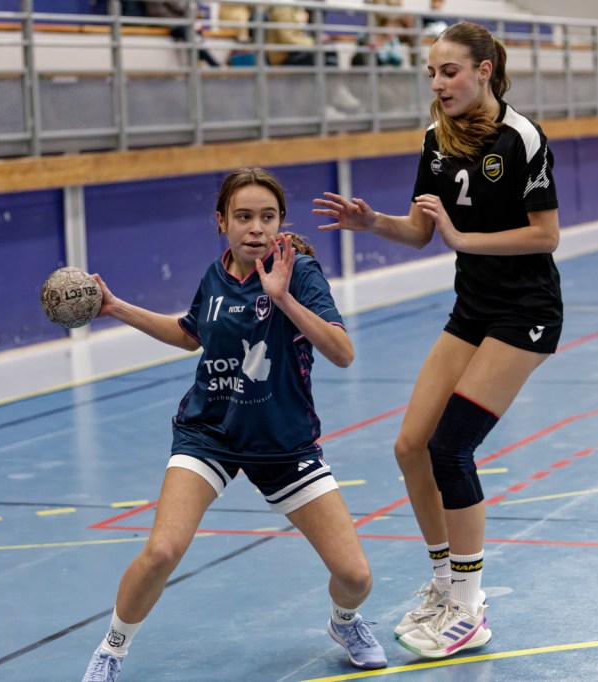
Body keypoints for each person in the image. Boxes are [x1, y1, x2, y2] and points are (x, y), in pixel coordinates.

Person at [313, 21, 562, 659]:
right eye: (432, 73)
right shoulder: (436, 137)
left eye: (449, 71)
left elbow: (545, 235)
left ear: (484, 70)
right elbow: (421, 231)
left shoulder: (522, 137)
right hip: (472, 311)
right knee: (410, 447)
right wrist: (373, 222)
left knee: (452, 447)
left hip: (525, 314)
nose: (438, 83)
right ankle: (446, 582)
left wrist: (463, 239)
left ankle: (470, 608)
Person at [80, 167, 387, 681]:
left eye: (267, 217)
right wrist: (115, 307)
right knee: (162, 550)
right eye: (243, 217)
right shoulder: (216, 274)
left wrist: (283, 297)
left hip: (284, 441)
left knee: (355, 576)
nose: (255, 228)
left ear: (280, 221)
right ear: (222, 221)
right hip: (210, 431)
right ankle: (111, 650)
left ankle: (344, 621)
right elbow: (189, 334)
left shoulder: (300, 273)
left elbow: (343, 352)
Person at [264, 5, 362, 114]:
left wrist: (316, 43)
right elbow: (287, 39)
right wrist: (314, 43)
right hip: (284, 55)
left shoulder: (297, 7)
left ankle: (334, 94)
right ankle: (322, 105)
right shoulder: (283, 7)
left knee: (330, 54)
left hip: (298, 51)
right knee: (320, 60)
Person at [143, 1, 220, 67]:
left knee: (195, 31)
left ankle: (202, 61)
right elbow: (180, 7)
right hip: (167, 23)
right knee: (191, 32)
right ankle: (212, 63)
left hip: (173, 22)